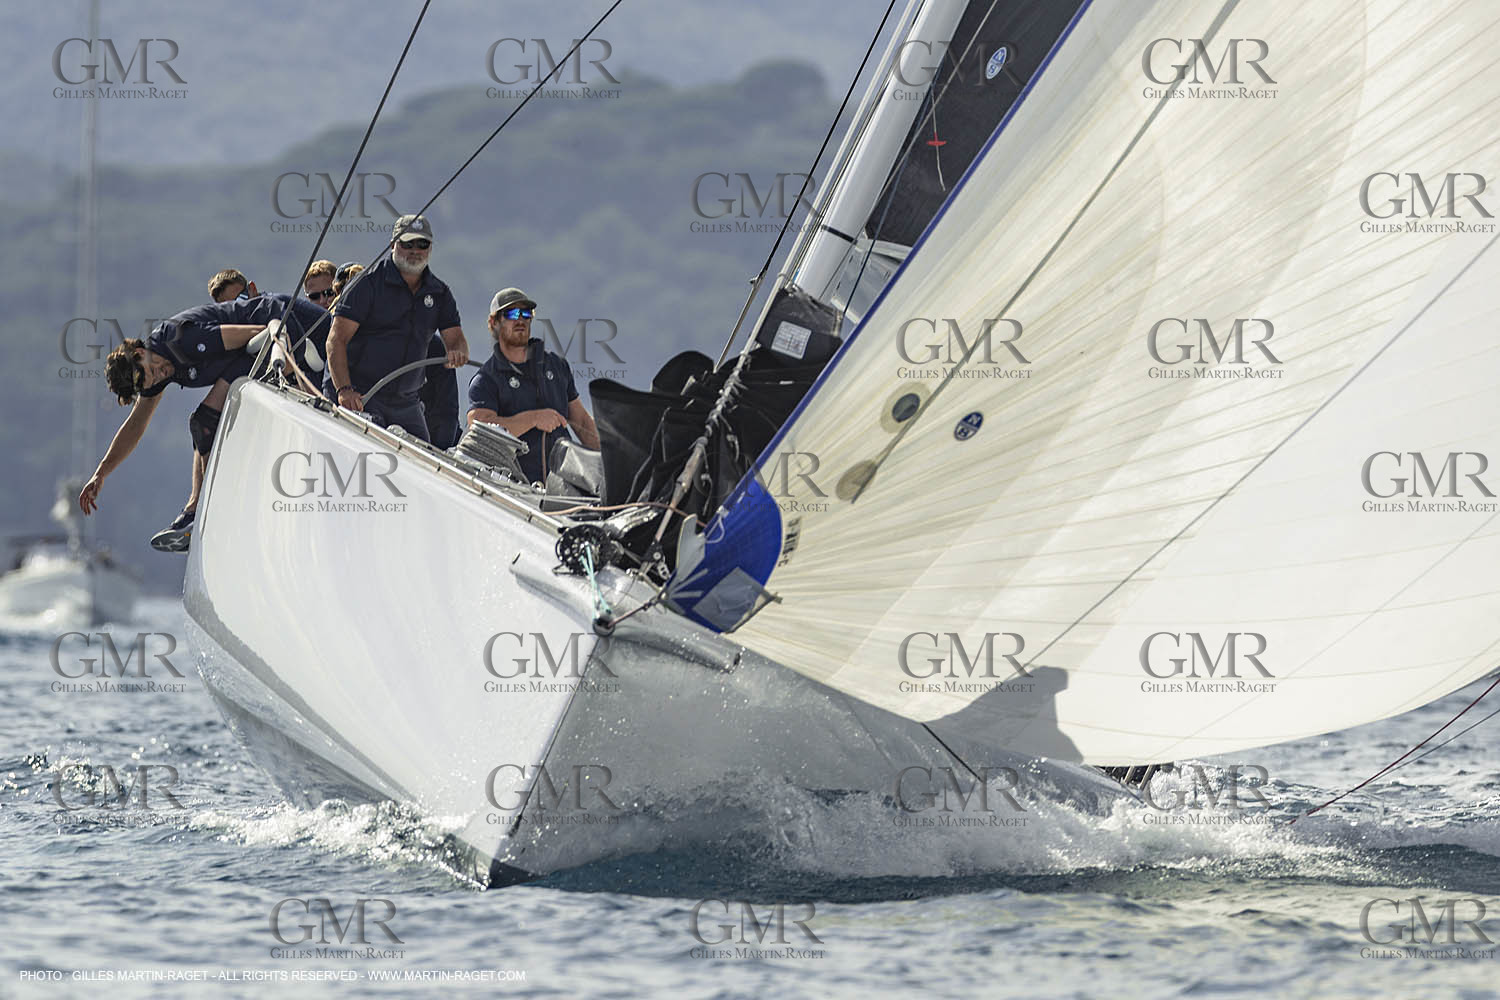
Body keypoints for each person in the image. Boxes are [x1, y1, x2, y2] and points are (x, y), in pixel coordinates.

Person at [80, 293, 330, 551]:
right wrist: (101, 473)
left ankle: (207, 507)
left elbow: (260, 331)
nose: (159, 376)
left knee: (204, 421)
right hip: (251, 353)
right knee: (204, 424)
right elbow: (135, 425)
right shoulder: (154, 367)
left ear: (141, 352)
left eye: (154, 371)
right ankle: (200, 510)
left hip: (283, 325)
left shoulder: (184, 340)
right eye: (152, 381)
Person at [325, 215, 468, 440]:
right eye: (407, 243)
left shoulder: (439, 293)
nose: (415, 250)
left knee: (424, 463)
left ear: (430, 248)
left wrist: (458, 351)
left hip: (406, 402)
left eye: (422, 244)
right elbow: (336, 340)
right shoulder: (367, 283)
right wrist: (344, 390)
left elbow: (456, 339)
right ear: (393, 245)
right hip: (360, 394)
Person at [467, 287, 599, 484]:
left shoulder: (557, 365)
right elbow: (480, 430)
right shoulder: (485, 380)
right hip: (516, 488)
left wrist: (610, 460)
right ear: (494, 322)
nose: (521, 319)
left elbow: (581, 421)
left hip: (566, 483)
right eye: (512, 313)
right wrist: (533, 419)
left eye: (526, 313)